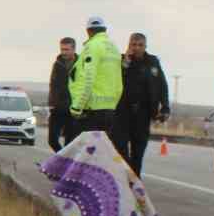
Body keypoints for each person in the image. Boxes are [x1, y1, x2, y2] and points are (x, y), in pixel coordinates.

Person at [114, 33, 170, 174]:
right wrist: (125, 64)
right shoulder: (121, 61)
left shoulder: (153, 62)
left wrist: (165, 107)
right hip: (122, 113)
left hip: (143, 113)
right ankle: (125, 176)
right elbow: (114, 81)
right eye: (134, 45)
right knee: (120, 148)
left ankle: (135, 183)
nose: (137, 48)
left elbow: (162, 85)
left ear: (145, 46)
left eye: (140, 45)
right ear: (129, 45)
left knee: (138, 153)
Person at [68, 16, 123, 139]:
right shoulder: (114, 49)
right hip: (110, 109)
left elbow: (88, 79)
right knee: (98, 151)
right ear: (104, 30)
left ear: (88, 31)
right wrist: (113, 105)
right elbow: (119, 83)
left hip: (91, 110)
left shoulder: (92, 47)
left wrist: (77, 107)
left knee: (82, 151)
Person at [47, 37, 78, 151]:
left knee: (69, 142)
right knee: (52, 140)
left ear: (73, 49)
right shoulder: (57, 64)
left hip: (73, 109)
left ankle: (64, 166)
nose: (63, 52)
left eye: (66, 49)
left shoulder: (81, 64)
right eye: (62, 49)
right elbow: (53, 85)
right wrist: (51, 103)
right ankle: (62, 161)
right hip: (58, 108)